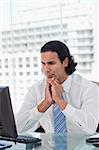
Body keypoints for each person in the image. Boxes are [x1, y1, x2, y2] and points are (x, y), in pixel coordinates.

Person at [16, 40, 98, 135]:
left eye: (51, 63)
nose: (46, 69)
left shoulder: (88, 88)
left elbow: (91, 128)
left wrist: (60, 101)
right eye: (43, 63)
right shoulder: (36, 89)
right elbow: (17, 128)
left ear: (65, 62)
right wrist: (46, 103)